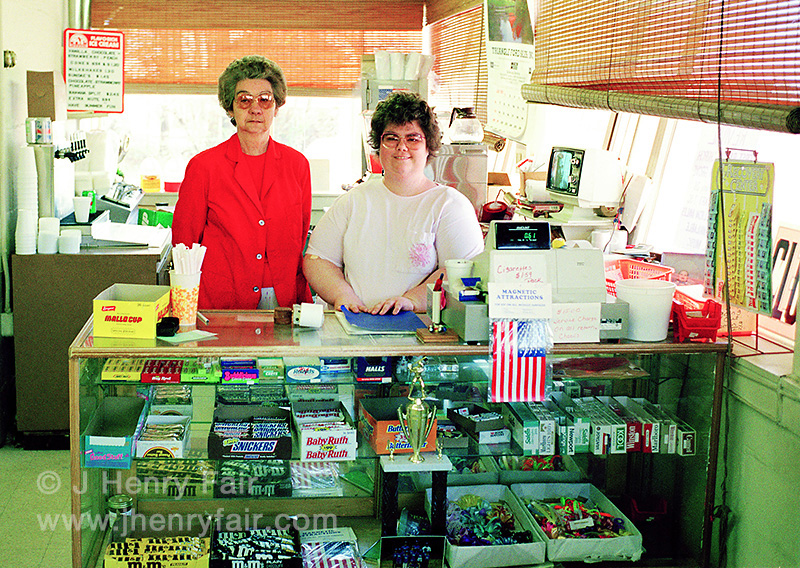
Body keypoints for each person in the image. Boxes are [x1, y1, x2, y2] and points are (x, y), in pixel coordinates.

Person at [303, 91, 484, 315]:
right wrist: (343, 296)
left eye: (412, 138)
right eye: (391, 138)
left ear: (428, 146)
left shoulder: (450, 205)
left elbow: (463, 271)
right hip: (355, 326)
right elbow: (318, 259)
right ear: (379, 146)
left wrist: (412, 300)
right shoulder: (354, 201)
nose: (401, 147)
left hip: (420, 329)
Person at [172, 55, 312, 310]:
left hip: (283, 297)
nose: (255, 108)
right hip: (222, 299)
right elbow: (184, 245)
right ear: (230, 108)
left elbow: (300, 235)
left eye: (265, 99)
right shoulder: (204, 166)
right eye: (244, 99)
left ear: (276, 107)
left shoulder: (297, 165)